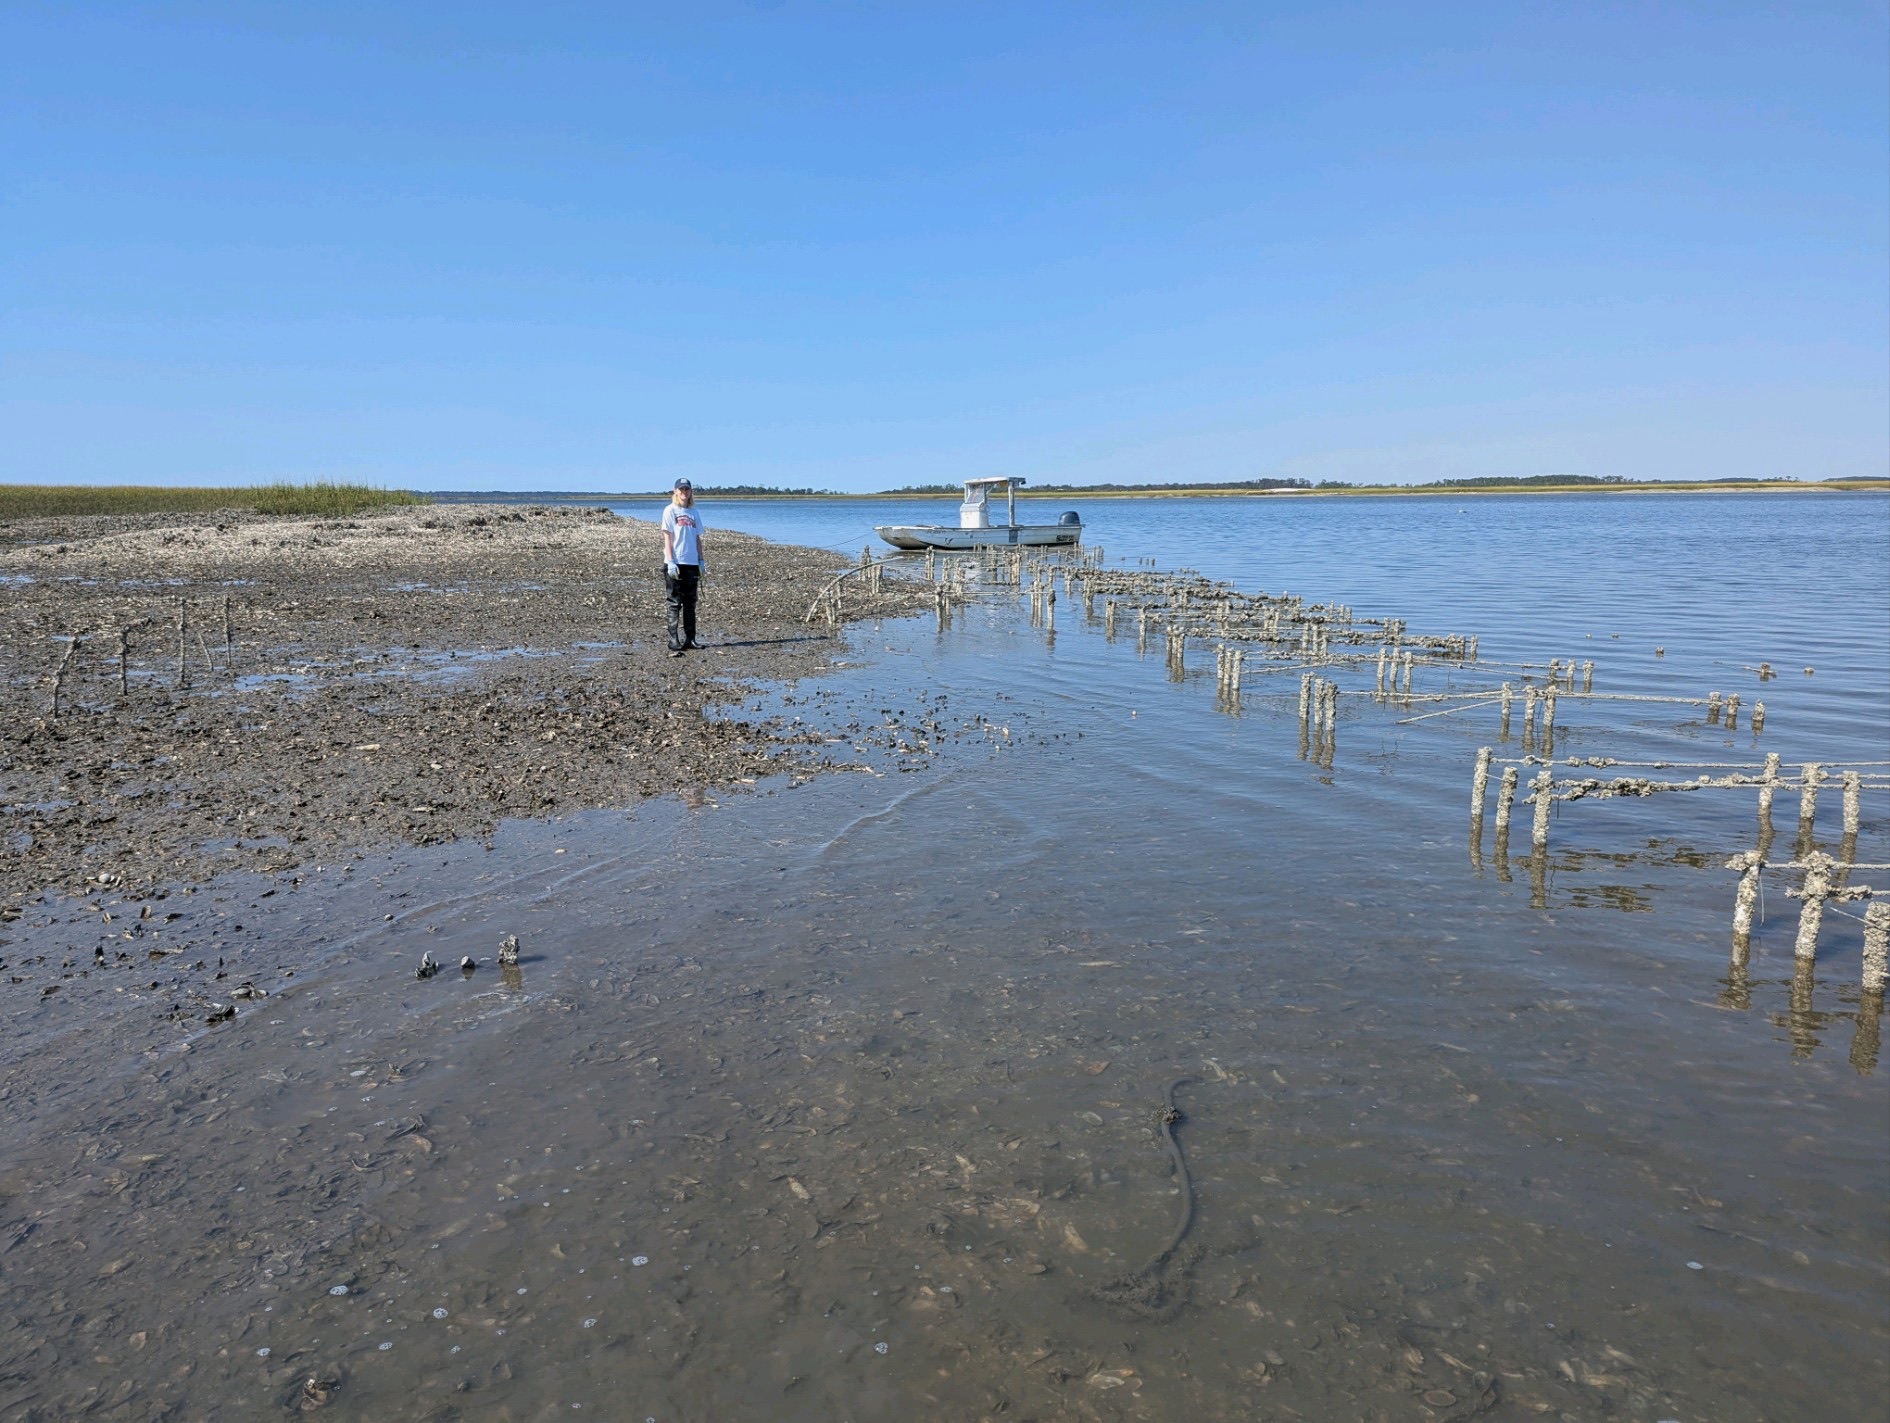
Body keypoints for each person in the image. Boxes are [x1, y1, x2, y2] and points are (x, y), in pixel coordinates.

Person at [660, 478, 706, 655]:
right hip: (675, 562)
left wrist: (701, 561)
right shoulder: (670, 510)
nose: (684, 492)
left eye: (687, 489)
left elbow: (697, 538)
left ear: (690, 492)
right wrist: (670, 562)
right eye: (681, 489)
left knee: (690, 603)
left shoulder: (693, 512)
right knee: (674, 602)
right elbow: (667, 537)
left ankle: (690, 638)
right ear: (675, 491)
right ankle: (673, 640)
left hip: (691, 563)